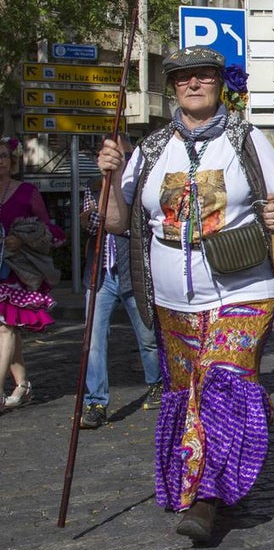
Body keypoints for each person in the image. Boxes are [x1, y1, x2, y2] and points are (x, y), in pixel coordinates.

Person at [95, 46, 274, 542]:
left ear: (218, 84)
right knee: (188, 392)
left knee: (223, 382)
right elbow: (117, 222)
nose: (193, 84)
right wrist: (106, 177)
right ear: (172, 88)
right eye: (183, 77)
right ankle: (206, 477)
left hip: (244, 288)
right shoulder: (148, 151)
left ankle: (206, 499)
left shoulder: (247, 140)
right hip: (172, 300)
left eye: (203, 76)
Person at [77, 175, 162, 430]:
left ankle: (156, 383)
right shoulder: (93, 186)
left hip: (131, 272)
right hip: (100, 274)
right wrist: (104, 214)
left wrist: (110, 219)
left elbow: (138, 226)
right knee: (93, 340)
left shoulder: (139, 187)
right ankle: (95, 402)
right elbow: (91, 225)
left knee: (147, 335)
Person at [0, 136, 62, 411]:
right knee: (8, 331)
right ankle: (22, 385)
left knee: (5, 327)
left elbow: (47, 230)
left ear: (12, 161)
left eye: (3, 156)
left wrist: (22, 240)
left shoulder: (27, 191)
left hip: (17, 271)